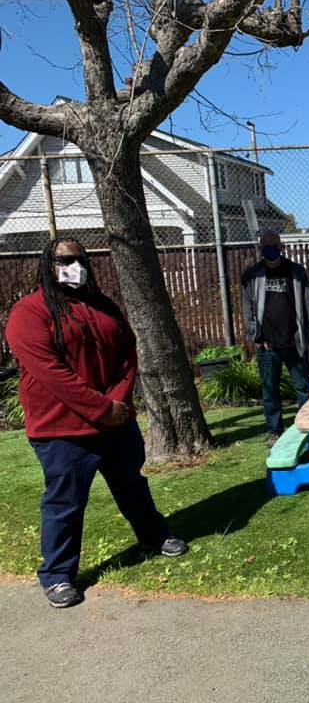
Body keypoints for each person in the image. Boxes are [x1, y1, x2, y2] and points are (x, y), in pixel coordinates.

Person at [6, 238, 187, 609]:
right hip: (62, 431)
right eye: (64, 260)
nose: (74, 265)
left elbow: (127, 352)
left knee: (132, 487)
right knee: (65, 502)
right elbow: (51, 373)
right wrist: (100, 408)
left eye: (79, 259)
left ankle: (154, 536)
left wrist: (117, 402)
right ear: (47, 264)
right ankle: (57, 576)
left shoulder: (103, 306)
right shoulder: (29, 312)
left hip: (115, 424)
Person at [241, 228, 309, 447]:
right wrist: (255, 335)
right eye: (266, 247)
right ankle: (275, 431)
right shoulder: (253, 275)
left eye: (275, 246)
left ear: (281, 247)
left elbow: (308, 304)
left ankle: (307, 428)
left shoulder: (297, 272)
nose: (271, 250)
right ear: (261, 248)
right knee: (270, 391)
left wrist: (305, 332)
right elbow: (247, 308)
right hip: (267, 345)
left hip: (294, 342)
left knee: (303, 388)